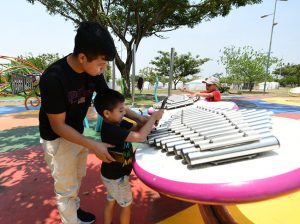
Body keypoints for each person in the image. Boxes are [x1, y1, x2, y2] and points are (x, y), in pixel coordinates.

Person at [39, 21, 148, 224]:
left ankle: (75, 211)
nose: (102, 69)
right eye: (101, 64)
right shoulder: (53, 78)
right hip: (58, 138)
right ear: (82, 57)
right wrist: (94, 144)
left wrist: (140, 118)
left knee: (77, 177)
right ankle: (70, 220)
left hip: (76, 133)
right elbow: (58, 126)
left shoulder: (93, 73)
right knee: (66, 187)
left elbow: (112, 102)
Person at [93, 89, 164, 224]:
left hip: (111, 174)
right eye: (121, 110)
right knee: (126, 206)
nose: (124, 112)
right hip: (117, 177)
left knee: (111, 200)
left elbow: (134, 129)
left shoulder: (116, 122)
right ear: (107, 113)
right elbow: (140, 136)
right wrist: (153, 118)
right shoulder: (111, 130)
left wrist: (145, 122)